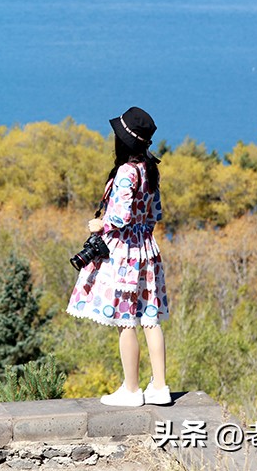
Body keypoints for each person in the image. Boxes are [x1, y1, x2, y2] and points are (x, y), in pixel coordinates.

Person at [66, 106, 171, 407]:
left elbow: (121, 216)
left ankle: (132, 389)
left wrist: (100, 225)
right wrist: (141, 232)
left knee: (126, 321)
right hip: (146, 248)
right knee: (150, 319)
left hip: (124, 253)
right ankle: (160, 387)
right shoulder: (150, 168)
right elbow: (155, 214)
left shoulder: (126, 172)